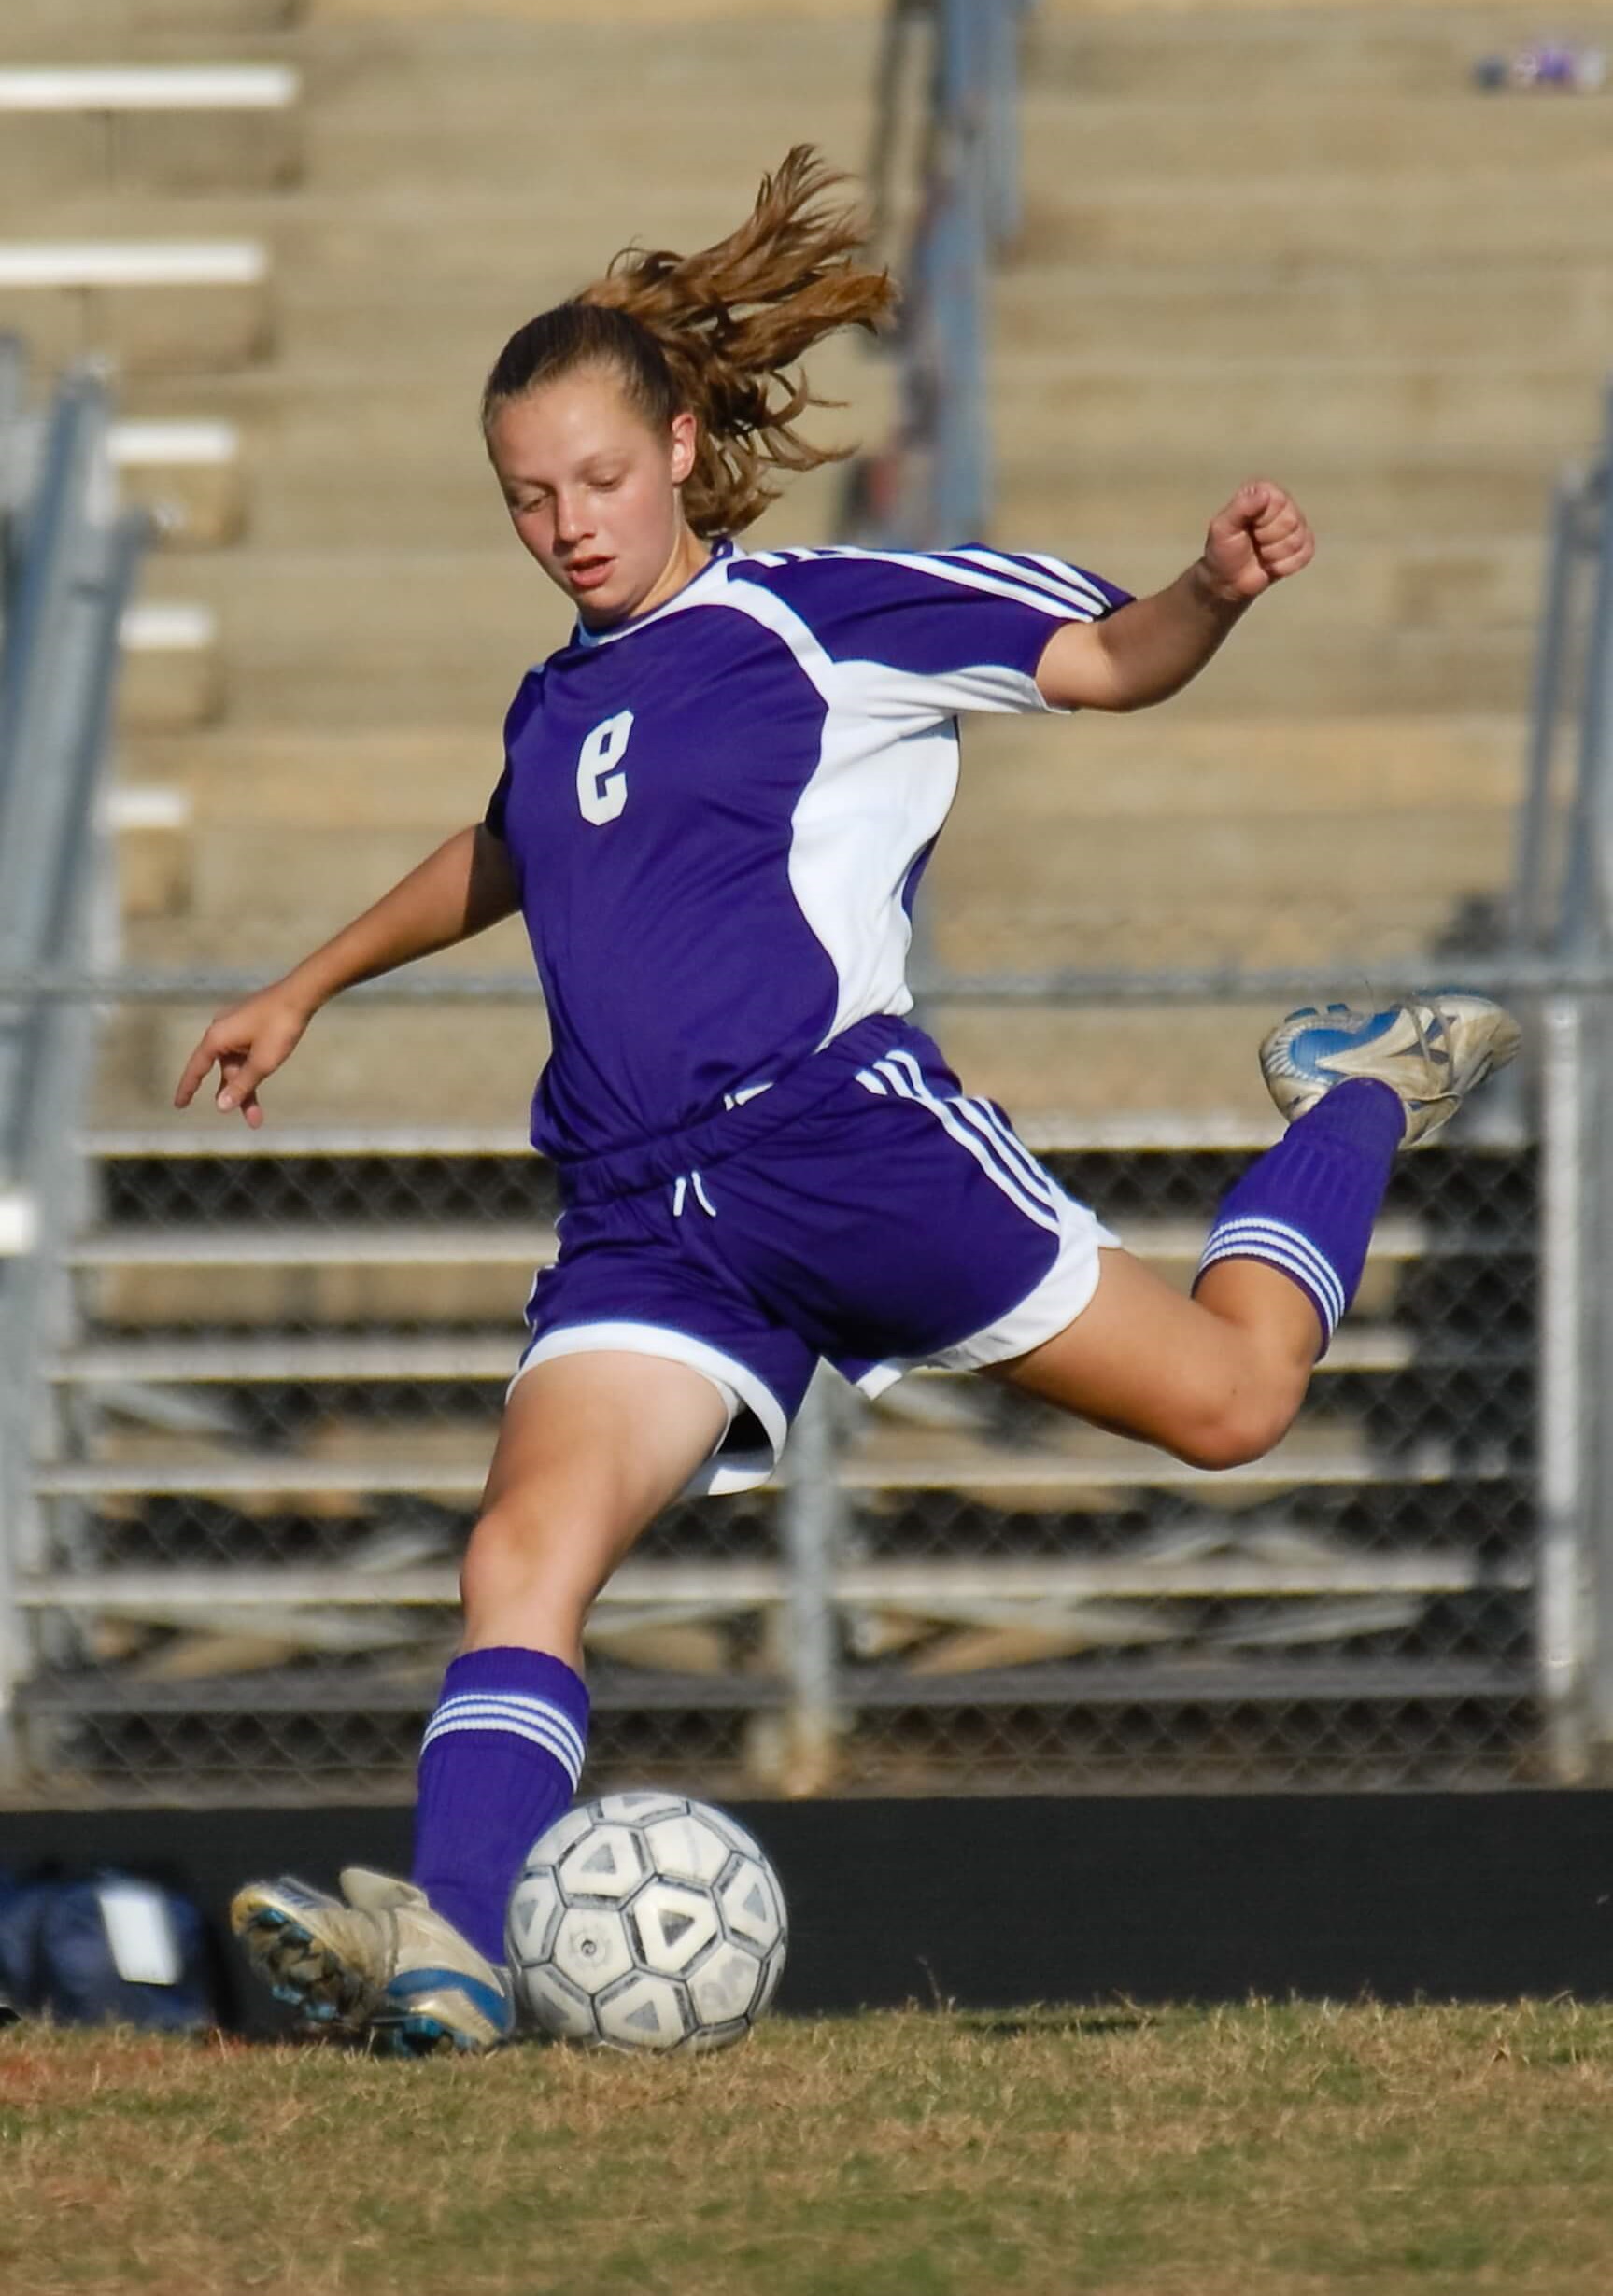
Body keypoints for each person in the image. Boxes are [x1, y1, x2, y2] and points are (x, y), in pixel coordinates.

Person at [175, 148, 1519, 2054]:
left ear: (685, 440)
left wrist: (1205, 591)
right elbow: (511, 850)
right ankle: (455, 1947)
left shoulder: (827, 617)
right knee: (519, 1554)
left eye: (600, 481)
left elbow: (1106, 662)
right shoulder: (560, 702)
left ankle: (1357, 1090)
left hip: (839, 1144)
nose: (567, 523)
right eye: (527, 497)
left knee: (1237, 1403)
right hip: (643, 1214)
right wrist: (304, 982)